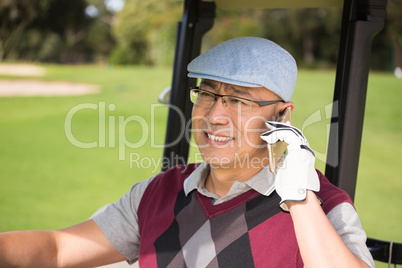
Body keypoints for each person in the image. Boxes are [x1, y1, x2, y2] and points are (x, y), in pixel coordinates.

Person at [0, 37, 374, 268]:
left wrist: (299, 198)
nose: (214, 116)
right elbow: (59, 250)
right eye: (207, 94)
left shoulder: (322, 207)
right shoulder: (159, 192)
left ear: (281, 117)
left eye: (238, 101)